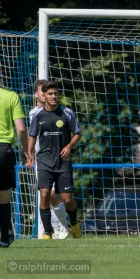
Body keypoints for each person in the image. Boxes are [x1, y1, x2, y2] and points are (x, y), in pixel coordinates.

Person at [27, 82, 82, 239]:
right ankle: (47, 232)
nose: (53, 97)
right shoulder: (37, 116)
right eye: (50, 94)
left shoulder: (67, 113)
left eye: (55, 94)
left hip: (63, 162)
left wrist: (70, 146)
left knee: (67, 199)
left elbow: (77, 133)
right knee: (44, 194)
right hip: (44, 160)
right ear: (43, 95)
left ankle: (74, 223)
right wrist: (29, 153)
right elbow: (32, 135)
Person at [0, 84, 29, 247]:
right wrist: (26, 151)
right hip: (4, 150)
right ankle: (5, 237)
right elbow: (21, 130)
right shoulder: (11, 96)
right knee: (3, 196)